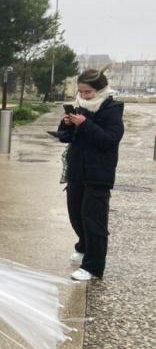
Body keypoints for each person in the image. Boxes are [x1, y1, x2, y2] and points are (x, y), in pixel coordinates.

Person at [57, 68, 124, 281]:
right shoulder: (79, 107)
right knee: (75, 214)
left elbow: (110, 139)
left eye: (88, 92)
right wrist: (66, 125)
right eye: (81, 91)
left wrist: (85, 124)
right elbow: (66, 138)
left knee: (93, 220)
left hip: (98, 173)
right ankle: (84, 246)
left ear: (101, 89)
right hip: (77, 169)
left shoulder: (111, 108)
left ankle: (93, 267)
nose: (84, 96)